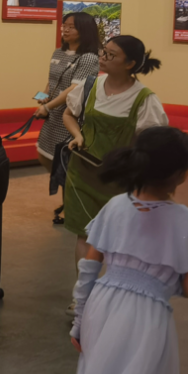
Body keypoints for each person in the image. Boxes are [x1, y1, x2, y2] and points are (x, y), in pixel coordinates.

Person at [64, 127, 188, 374]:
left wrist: (79, 320)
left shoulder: (114, 207)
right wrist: (163, 281)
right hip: (147, 318)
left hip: (101, 308)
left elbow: (89, 267)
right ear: (181, 174)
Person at [62, 35, 168, 298]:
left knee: (119, 241)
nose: (103, 58)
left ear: (130, 63)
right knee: (84, 236)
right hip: (83, 174)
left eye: (111, 55)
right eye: (104, 51)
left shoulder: (144, 99)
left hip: (121, 182)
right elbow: (68, 114)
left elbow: (154, 143)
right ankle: (84, 296)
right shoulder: (90, 85)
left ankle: (113, 296)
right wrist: (77, 135)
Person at [35, 12, 101, 222]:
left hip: (70, 116)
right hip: (52, 116)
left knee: (67, 164)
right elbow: (52, 81)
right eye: (64, 25)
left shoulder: (89, 58)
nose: (65, 29)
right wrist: (42, 99)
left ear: (84, 30)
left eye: (71, 26)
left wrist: (49, 107)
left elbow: (74, 89)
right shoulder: (59, 52)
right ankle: (70, 197)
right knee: (45, 156)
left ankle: (71, 204)